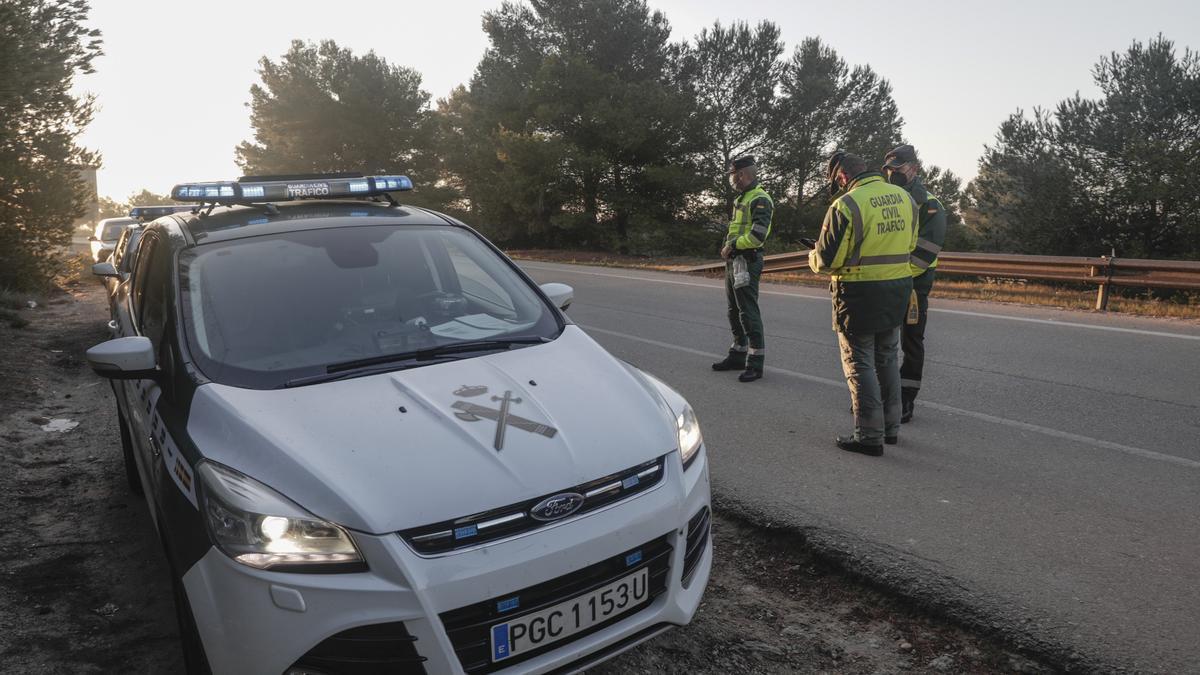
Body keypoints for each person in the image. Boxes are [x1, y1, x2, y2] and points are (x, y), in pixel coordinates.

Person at [809, 151, 918, 456]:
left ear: (842, 176)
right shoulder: (904, 197)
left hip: (859, 293)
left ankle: (869, 435)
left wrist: (812, 256)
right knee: (886, 358)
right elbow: (910, 244)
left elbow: (828, 262)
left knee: (860, 364)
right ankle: (891, 428)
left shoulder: (846, 204)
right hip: (897, 288)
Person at [881, 144, 947, 423]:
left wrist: (894, 275)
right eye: (888, 169)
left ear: (914, 169)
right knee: (881, 341)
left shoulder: (929, 205)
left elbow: (924, 254)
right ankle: (880, 398)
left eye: (898, 169)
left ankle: (905, 401)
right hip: (885, 281)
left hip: (913, 285)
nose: (891, 173)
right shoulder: (885, 199)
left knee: (911, 341)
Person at [711, 155, 774, 383]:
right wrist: (729, 246)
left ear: (742, 174)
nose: (732, 180)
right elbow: (738, 229)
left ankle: (755, 364)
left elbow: (757, 236)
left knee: (748, 312)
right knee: (734, 311)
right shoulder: (743, 197)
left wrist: (733, 245)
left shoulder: (760, 199)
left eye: (733, 176)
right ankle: (737, 354)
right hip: (735, 261)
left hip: (747, 261)